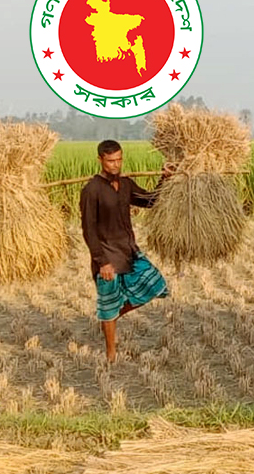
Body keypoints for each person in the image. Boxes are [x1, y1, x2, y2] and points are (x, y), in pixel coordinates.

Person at [80, 140, 172, 363]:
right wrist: (101, 262)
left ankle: (111, 317)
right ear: (100, 160)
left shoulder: (126, 184)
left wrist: (165, 178)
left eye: (119, 160)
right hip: (106, 255)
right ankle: (111, 354)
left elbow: (149, 201)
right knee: (108, 301)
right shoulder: (91, 190)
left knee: (156, 285)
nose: (115, 165)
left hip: (128, 250)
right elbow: (88, 230)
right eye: (111, 161)